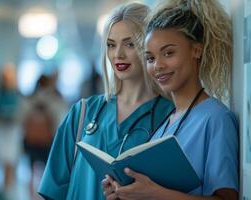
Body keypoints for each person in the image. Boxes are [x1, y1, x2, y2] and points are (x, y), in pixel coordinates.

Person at [102, 0, 239, 199]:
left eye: (168, 53)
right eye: (150, 58)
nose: (158, 66)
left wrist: (156, 194)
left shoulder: (216, 119)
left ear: (196, 50)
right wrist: (124, 191)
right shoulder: (168, 121)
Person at [38, 2, 174, 200]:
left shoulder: (170, 115)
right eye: (111, 45)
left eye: (129, 44)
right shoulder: (83, 112)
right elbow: (52, 190)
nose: (118, 54)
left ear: (149, 46)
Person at [23, 74, 68, 199]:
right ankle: (43, 195)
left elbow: (22, 118)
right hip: (48, 141)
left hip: (31, 140)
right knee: (47, 171)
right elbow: (61, 119)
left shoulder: (30, 99)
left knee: (31, 170)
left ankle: (32, 196)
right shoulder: (55, 98)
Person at [0, 63, 23, 200]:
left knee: (10, 161)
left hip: (13, 131)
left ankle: (7, 190)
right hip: (0, 131)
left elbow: (22, 111)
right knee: (1, 161)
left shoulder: (17, 93)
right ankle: (2, 190)